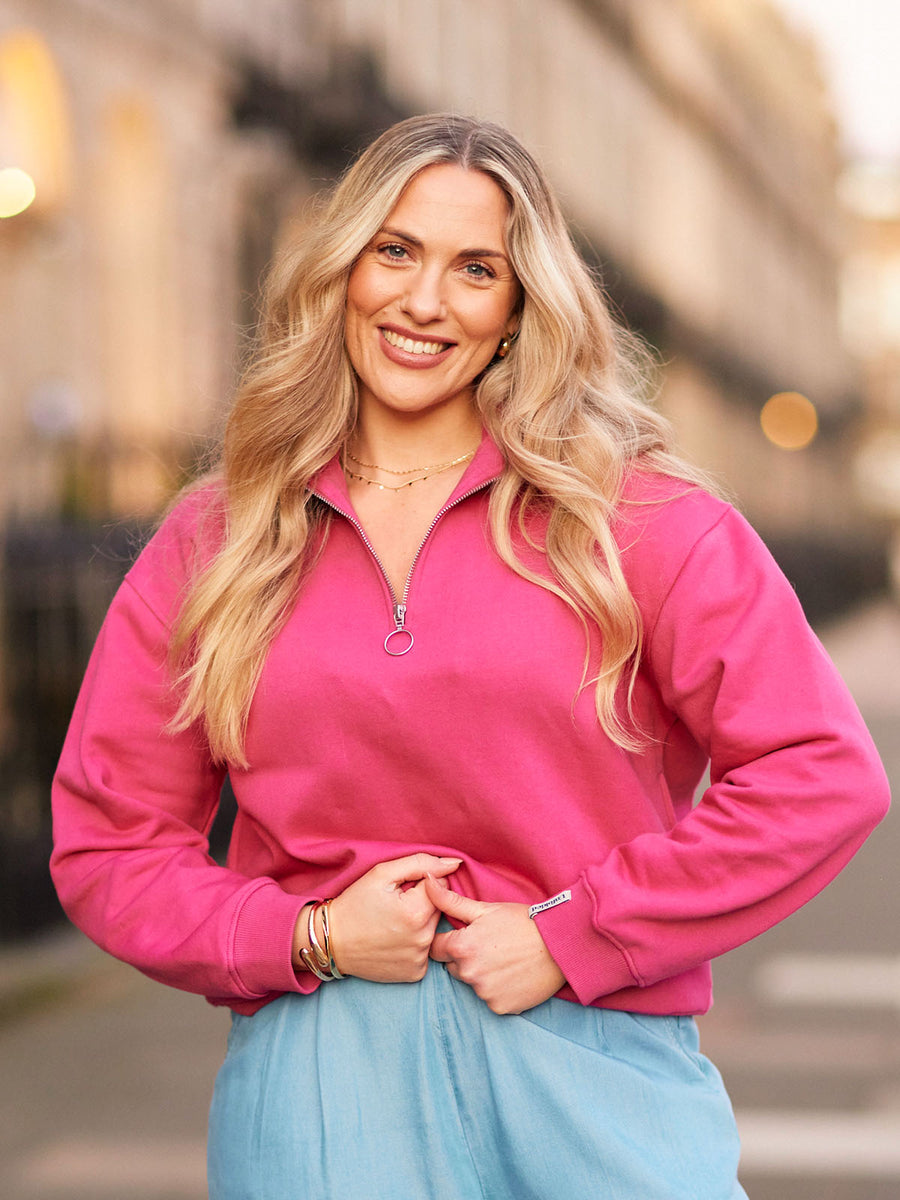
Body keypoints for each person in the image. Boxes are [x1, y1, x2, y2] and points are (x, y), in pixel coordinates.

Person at [51, 113, 889, 1199]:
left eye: (475, 269)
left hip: (590, 1076)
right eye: (394, 250)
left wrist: (580, 932)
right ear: (341, 268)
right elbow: (108, 842)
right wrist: (304, 936)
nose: (424, 300)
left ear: (517, 309)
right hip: (320, 1095)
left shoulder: (641, 522)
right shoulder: (220, 539)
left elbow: (819, 774)